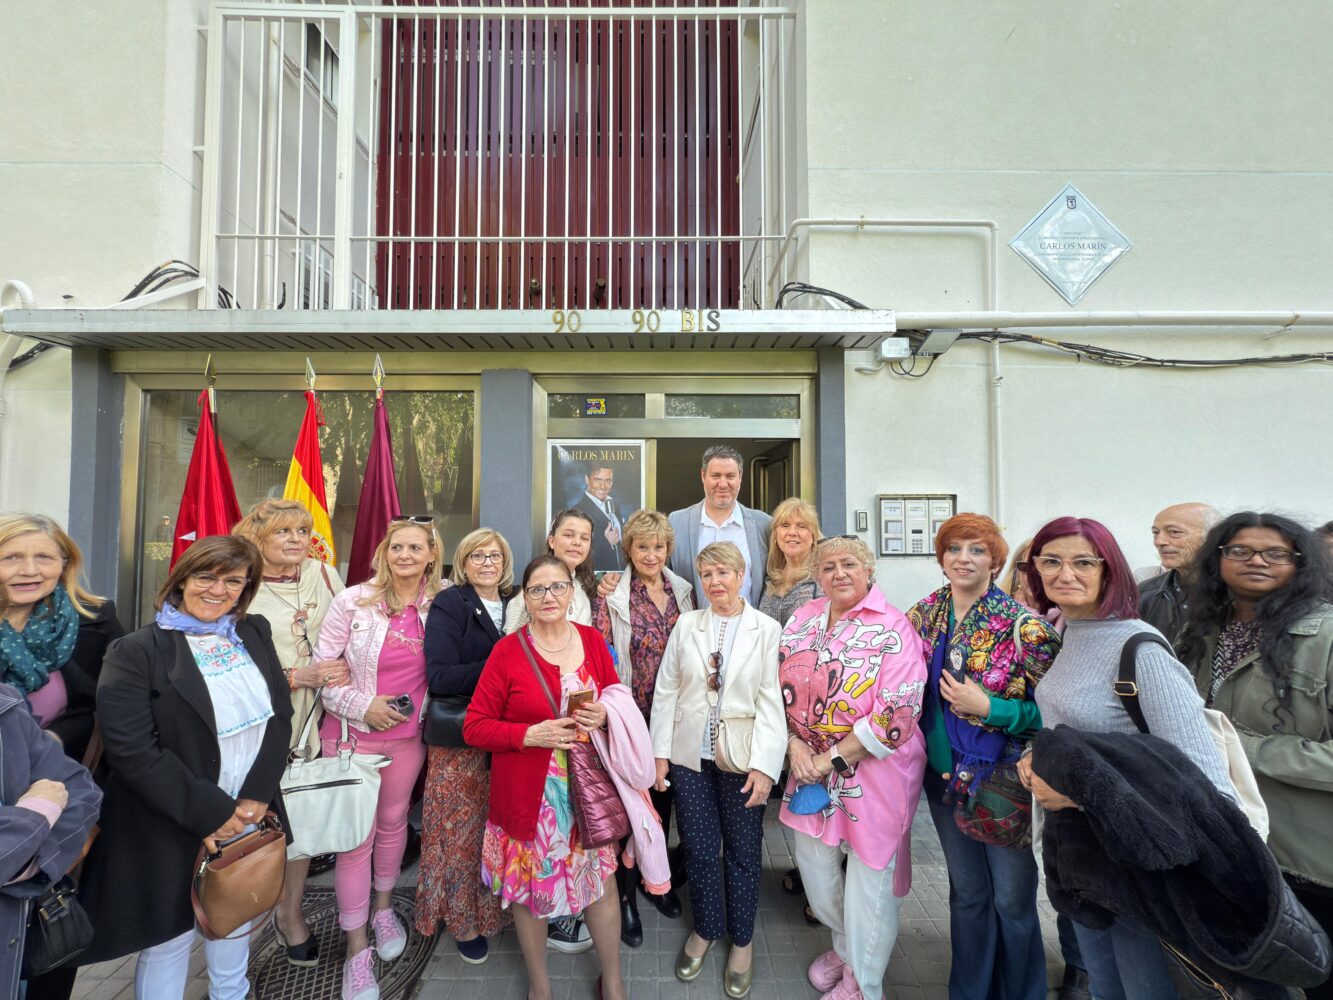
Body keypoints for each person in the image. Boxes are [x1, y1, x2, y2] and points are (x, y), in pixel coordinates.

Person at [1015, 516, 1232, 1000]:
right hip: (1088, 858)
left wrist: (1076, 793)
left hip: (1141, 866)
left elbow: (1200, 775)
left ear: (1109, 569)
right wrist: (1038, 754)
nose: (1064, 573)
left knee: (1145, 989)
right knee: (1106, 987)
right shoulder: (1075, 634)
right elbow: (1084, 727)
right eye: (1051, 561)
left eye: (1082, 562)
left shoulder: (1139, 648)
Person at [79, 535, 292, 999]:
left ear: (247, 588)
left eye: (233, 581)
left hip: (249, 808)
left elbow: (280, 714)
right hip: (173, 813)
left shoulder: (253, 632)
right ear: (181, 580)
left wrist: (257, 793)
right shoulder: (135, 650)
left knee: (235, 916)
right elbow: (132, 749)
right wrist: (210, 812)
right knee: (169, 939)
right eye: (206, 577)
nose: (218, 590)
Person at [1175, 512, 1333, 1000]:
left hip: (1308, 858)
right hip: (1227, 846)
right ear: (1218, 560)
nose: (1256, 561)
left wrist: (1244, 750)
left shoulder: (1326, 637)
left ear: (1301, 562)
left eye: (1275, 553)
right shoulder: (1199, 632)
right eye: (1240, 550)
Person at [906, 514, 1060, 1000]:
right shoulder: (923, 615)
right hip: (942, 777)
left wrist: (993, 708)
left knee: (1012, 899)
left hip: (1001, 779)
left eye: (977, 549)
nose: (964, 559)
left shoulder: (1025, 627)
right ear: (941, 558)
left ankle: (1022, 992)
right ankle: (969, 991)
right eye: (954, 549)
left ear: (995, 560)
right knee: (968, 894)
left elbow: (1059, 711)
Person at [464, 555, 629, 1000]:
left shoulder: (592, 640)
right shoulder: (507, 651)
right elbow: (474, 726)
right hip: (530, 799)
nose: (549, 596)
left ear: (572, 591)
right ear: (526, 598)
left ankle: (613, 981)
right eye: (537, 589)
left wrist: (604, 713)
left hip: (587, 792)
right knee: (528, 891)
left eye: (558, 586)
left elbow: (617, 697)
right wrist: (527, 735)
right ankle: (540, 987)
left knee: (601, 886)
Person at [780, 536, 928, 1000]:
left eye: (849, 564)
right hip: (808, 769)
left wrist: (828, 759)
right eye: (828, 567)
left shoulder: (894, 627)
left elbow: (896, 715)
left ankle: (864, 984)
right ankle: (847, 950)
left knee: (871, 882)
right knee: (814, 869)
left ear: (869, 571)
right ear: (816, 575)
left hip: (877, 773)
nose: (838, 573)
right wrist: (793, 745)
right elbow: (774, 688)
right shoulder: (802, 618)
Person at [315, 517, 444, 1000]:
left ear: (431, 554)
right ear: (384, 553)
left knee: (393, 826)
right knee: (355, 842)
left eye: (415, 548)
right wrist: (362, 706)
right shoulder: (352, 601)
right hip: (352, 738)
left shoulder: (439, 604)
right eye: (397, 547)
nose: (405, 555)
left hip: (409, 740)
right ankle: (356, 949)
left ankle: (385, 910)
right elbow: (324, 671)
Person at [648, 542, 784, 998]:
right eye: (707, 575)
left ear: (742, 574)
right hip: (690, 758)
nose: (715, 582)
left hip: (742, 758)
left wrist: (765, 766)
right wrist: (660, 754)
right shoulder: (687, 624)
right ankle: (706, 928)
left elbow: (771, 701)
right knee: (700, 849)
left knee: (743, 851)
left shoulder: (766, 629)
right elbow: (666, 690)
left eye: (723, 572)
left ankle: (742, 940)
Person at [232, 498, 349, 968]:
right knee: (254, 822)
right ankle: (236, 920)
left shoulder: (324, 575)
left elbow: (351, 631)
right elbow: (228, 661)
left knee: (303, 821)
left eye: (303, 530)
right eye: (284, 531)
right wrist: (296, 677)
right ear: (257, 537)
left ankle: (290, 912)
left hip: (319, 719)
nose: (298, 539)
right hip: (263, 721)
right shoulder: (239, 583)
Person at [591, 508, 694, 945]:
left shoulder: (683, 591)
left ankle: (658, 882)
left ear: (668, 548)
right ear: (628, 549)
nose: (651, 554)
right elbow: (599, 656)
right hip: (632, 718)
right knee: (630, 808)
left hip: (673, 718)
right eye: (642, 546)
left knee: (661, 803)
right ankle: (625, 897)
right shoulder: (612, 595)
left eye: (658, 546)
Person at [417, 528, 514, 964]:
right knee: (458, 835)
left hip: (507, 738)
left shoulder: (516, 602)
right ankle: (462, 922)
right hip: (462, 740)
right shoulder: (451, 603)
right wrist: (503, 666)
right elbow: (440, 676)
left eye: (494, 555)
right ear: (463, 561)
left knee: (495, 831)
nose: (487, 563)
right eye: (477, 555)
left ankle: (493, 913)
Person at [0, 680, 102, 998]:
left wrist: (32, 861)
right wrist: (37, 814)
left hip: (14, 937)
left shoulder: (5, 704)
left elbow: (79, 787)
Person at [0, 513, 124, 763]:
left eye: (44, 557)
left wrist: (57, 738)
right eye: (11, 558)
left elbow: (119, 707)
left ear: (64, 565)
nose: (29, 570)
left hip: (60, 770)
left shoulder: (96, 621)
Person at [668, 445, 772, 607]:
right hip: (693, 622)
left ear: (740, 477)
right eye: (716, 476)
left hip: (749, 623)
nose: (723, 484)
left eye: (730, 476)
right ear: (703, 476)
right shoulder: (676, 523)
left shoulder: (764, 524)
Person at [1136, 502, 1219, 643]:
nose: (1159, 542)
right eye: (1155, 533)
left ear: (1212, 537)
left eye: (1174, 532)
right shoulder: (1145, 593)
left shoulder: (1238, 594)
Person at [504, 509, 595, 634]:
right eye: (569, 535)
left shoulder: (582, 591)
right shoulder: (533, 588)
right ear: (552, 541)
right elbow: (512, 639)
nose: (577, 542)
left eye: (584, 538)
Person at [757, 497, 823, 626]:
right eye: (785, 525)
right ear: (775, 535)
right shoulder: (769, 579)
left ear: (813, 535)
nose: (792, 532)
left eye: (801, 526)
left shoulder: (823, 579)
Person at [574, 463, 624, 572]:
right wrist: (608, 543)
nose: (603, 486)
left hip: (619, 575)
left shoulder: (614, 505)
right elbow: (577, 551)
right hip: (594, 577)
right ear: (587, 479)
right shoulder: (577, 511)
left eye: (608, 481)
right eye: (597, 480)